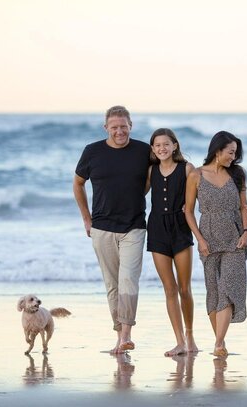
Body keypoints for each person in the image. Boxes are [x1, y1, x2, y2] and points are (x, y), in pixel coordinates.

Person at [73, 105, 150, 354]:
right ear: (106, 127)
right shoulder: (92, 152)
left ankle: (126, 334)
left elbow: (155, 177)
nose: (119, 131)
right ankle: (119, 337)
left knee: (128, 280)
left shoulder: (143, 150)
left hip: (134, 226)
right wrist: (87, 218)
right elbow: (78, 183)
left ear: (131, 126)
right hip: (102, 228)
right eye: (114, 127)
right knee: (112, 284)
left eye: (124, 126)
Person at [184, 130, 247, 357]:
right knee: (213, 291)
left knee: (228, 288)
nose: (233, 157)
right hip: (208, 238)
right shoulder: (196, 175)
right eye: (230, 152)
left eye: (235, 153)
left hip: (235, 237)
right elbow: (189, 212)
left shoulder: (238, 174)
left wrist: (246, 232)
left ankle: (219, 343)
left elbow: (244, 206)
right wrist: (200, 239)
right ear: (217, 150)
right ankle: (219, 343)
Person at [146, 128, 198, 357]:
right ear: (152, 149)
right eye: (157, 145)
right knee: (169, 288)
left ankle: (190, 335)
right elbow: (135, 195)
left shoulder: (187, 169)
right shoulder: (150, 171)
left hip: (180, 229)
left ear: (175, 145)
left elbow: (200, 196)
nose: (162, 149)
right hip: (157, 229)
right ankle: (179, 342)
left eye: (166, 144)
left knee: (184, 288)